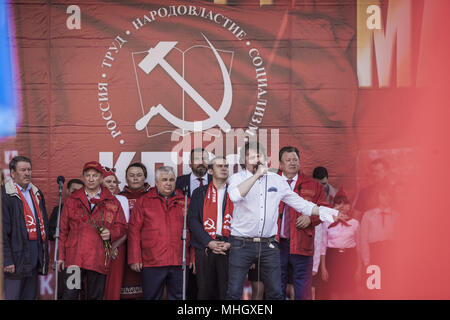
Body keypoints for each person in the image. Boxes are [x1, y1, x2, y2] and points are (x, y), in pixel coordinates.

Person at [225, 142, 339, 300]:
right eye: (252, 157)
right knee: (234, 292)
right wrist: (257, 175)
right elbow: (235, 196)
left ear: (266, 159)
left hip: (268, 244)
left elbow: (301, 204)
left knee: (275, 292)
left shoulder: (276, 180)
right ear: (244, 161)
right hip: (241, 243)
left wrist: (323, 211)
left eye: (259, 156)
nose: (257, 160)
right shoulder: (236, 178)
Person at [57, 161, 127, 300]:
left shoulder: (112, 201)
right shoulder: (72, 200)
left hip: (98, 257)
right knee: (70, 295)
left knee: (95, 296)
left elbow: (122, 227)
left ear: (101, 178)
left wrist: (111, 233)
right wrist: (60, 257)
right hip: (74, 258)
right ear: (83, 177)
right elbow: (63, 230)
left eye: (94, 175)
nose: (91, 178)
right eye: (87, 175)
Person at [128, 166, 189, 300]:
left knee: (179, 297)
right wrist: (135, 258)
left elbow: (192, 230)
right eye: (164, 180)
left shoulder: (185, 201)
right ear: (156, 182)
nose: (168, 183)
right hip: (152, 261)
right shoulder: (144, 201)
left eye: (171, 180)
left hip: (179, 261)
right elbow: (134, 231)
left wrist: (193, 257)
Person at [278, 146, 329, 300]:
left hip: (302, 243)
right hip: (276, 245)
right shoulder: (270, 182)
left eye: (295, 160)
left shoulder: (313, 185)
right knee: (276, 288)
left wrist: (310, 218)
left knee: (302, 290)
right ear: (280, 164)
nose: (292, 163)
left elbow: (325, 209)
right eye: (288, 160)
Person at [2, 156, 50, 300]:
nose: (27, 173)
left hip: (34, 255)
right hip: (15, 257)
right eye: (23, 170)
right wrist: (7, 260)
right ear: (12, 173)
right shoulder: (5, 195)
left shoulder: (36, 193)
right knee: (13, 296)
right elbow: (2, 232)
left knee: (30, 296)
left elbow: (43, 224)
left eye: (29, 169)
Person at [187, 156, 232, 299]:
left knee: (226, 291)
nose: (224, 168)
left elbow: (243, 221)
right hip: (205, 247)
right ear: (211, 171)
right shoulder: (199, 193)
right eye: (220, 166)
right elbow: (193, 221)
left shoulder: (235, 192)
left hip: (228, 247)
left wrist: (229, 242)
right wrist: (209, 242)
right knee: (205, 291)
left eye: (226, 166)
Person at [175, 147, 212, 299]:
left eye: (204, 158)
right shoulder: (178, 182)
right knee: (187, 287)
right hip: (184, 241)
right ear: (190, 163)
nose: (201, 162)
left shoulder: (217, 181)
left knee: (209, 286)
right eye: (197, 159)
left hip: (210, 242)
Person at [320, 189, 361, 299]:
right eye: (338, 203)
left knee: (349, 291)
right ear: (334, 206)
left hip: (349, 257)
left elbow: (359, 247)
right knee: (334, 291)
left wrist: (359, 268)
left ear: (349, 206)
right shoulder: (327, 222)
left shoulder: (355, 223)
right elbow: (323, 246)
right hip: (333, 257)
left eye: (345, 203)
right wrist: (323, 268)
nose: (342, 206)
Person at [119, 162, 151, 299]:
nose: (135, 178)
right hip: (124, 246)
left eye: (139, 175)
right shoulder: (120, 197)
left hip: (148, 246)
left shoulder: (152, 197)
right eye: (131, 175)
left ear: (145, 177)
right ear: (126, 179)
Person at [102, 166, 130, 300]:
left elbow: (126, 228)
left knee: (114, 283)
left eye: (114, 182)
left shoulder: (122, 199)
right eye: (108, 181)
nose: (112, 184)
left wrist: (114, 246)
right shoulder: (94, 199)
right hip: (97, 248)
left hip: (117, 247)